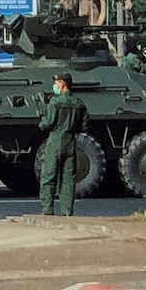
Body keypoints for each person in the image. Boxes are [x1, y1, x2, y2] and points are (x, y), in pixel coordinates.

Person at [38, 72, 90, 216]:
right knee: (68, 179)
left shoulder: (55, 102)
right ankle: (67, 211)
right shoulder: (79, 103)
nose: (55, 86)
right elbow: (85, 125)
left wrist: (41, 123)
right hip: (70, 141)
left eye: (57, 83)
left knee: (48, 175)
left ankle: (47, 209)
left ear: (63, 84)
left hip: (55, 140)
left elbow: (48, 122)